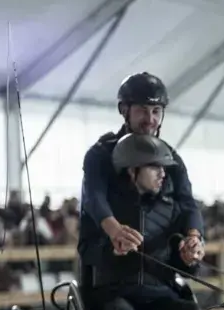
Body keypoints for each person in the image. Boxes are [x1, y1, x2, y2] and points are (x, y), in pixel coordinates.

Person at [79, 72, 203, 291]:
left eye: (156, 111)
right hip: (110, 272)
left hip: (159, 276)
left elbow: (187, 203)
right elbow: (94, 198)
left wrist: (193, 238)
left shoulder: (171, 159)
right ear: (123, 110)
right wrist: (115, 230)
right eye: (142, 110)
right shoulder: (100, 155)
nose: (150, 119)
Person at [85, 132, 205, 310]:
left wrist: (189, 259)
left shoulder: (172, 210)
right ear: (132, 170)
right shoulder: (107, 212)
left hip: (158, 293)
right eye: (154, 167)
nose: (162, 174)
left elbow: (183, 266)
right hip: (115, 294)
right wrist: (112, 251)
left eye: (164, 168)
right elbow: (87, 252)